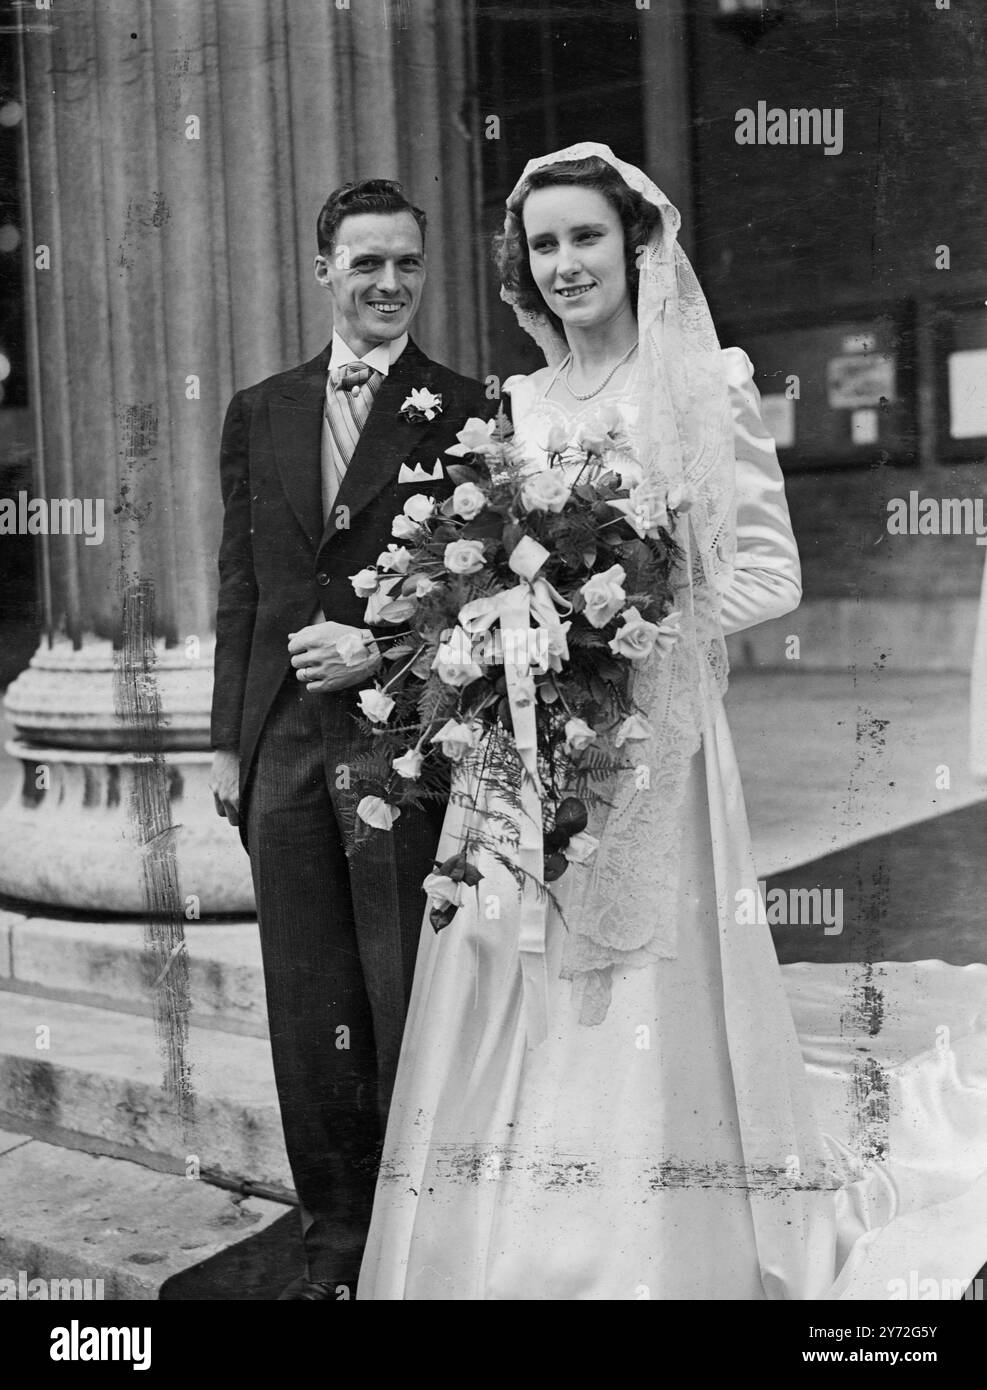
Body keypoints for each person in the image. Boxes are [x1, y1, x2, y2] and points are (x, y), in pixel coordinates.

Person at [356, 145, 987, 1300]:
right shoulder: (520, 405)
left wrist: (626, 632)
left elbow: (770, 573)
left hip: (654, 747)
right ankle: (497, 1245)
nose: (565, 264)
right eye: (543, 245)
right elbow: (490, 567)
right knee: (506, 969)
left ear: (636, 243)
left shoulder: (706, 382)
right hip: (516, 748)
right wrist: (500, 632)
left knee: (643, 976)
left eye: (585, 237)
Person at [209, 178, 488, 1299]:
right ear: (323, 268)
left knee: (398, 982)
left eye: (406, 264)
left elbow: (475, 594)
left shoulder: (466, 405)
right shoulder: (262, 409)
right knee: (306, 994)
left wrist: (378, 645)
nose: (387, 284)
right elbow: (240, 584)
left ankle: (416, 1236)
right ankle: (333, 1239)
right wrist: (227, 744)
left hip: (400, 739)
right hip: (281, 741)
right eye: (365, 263)